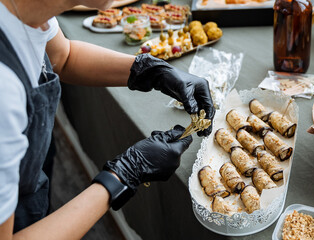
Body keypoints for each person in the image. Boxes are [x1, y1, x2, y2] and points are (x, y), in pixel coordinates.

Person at [0, 0, 215, 238]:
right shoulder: (4, 91)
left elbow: (63, 57)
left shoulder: (28, 10)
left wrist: (149, 70)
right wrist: (124, 174)